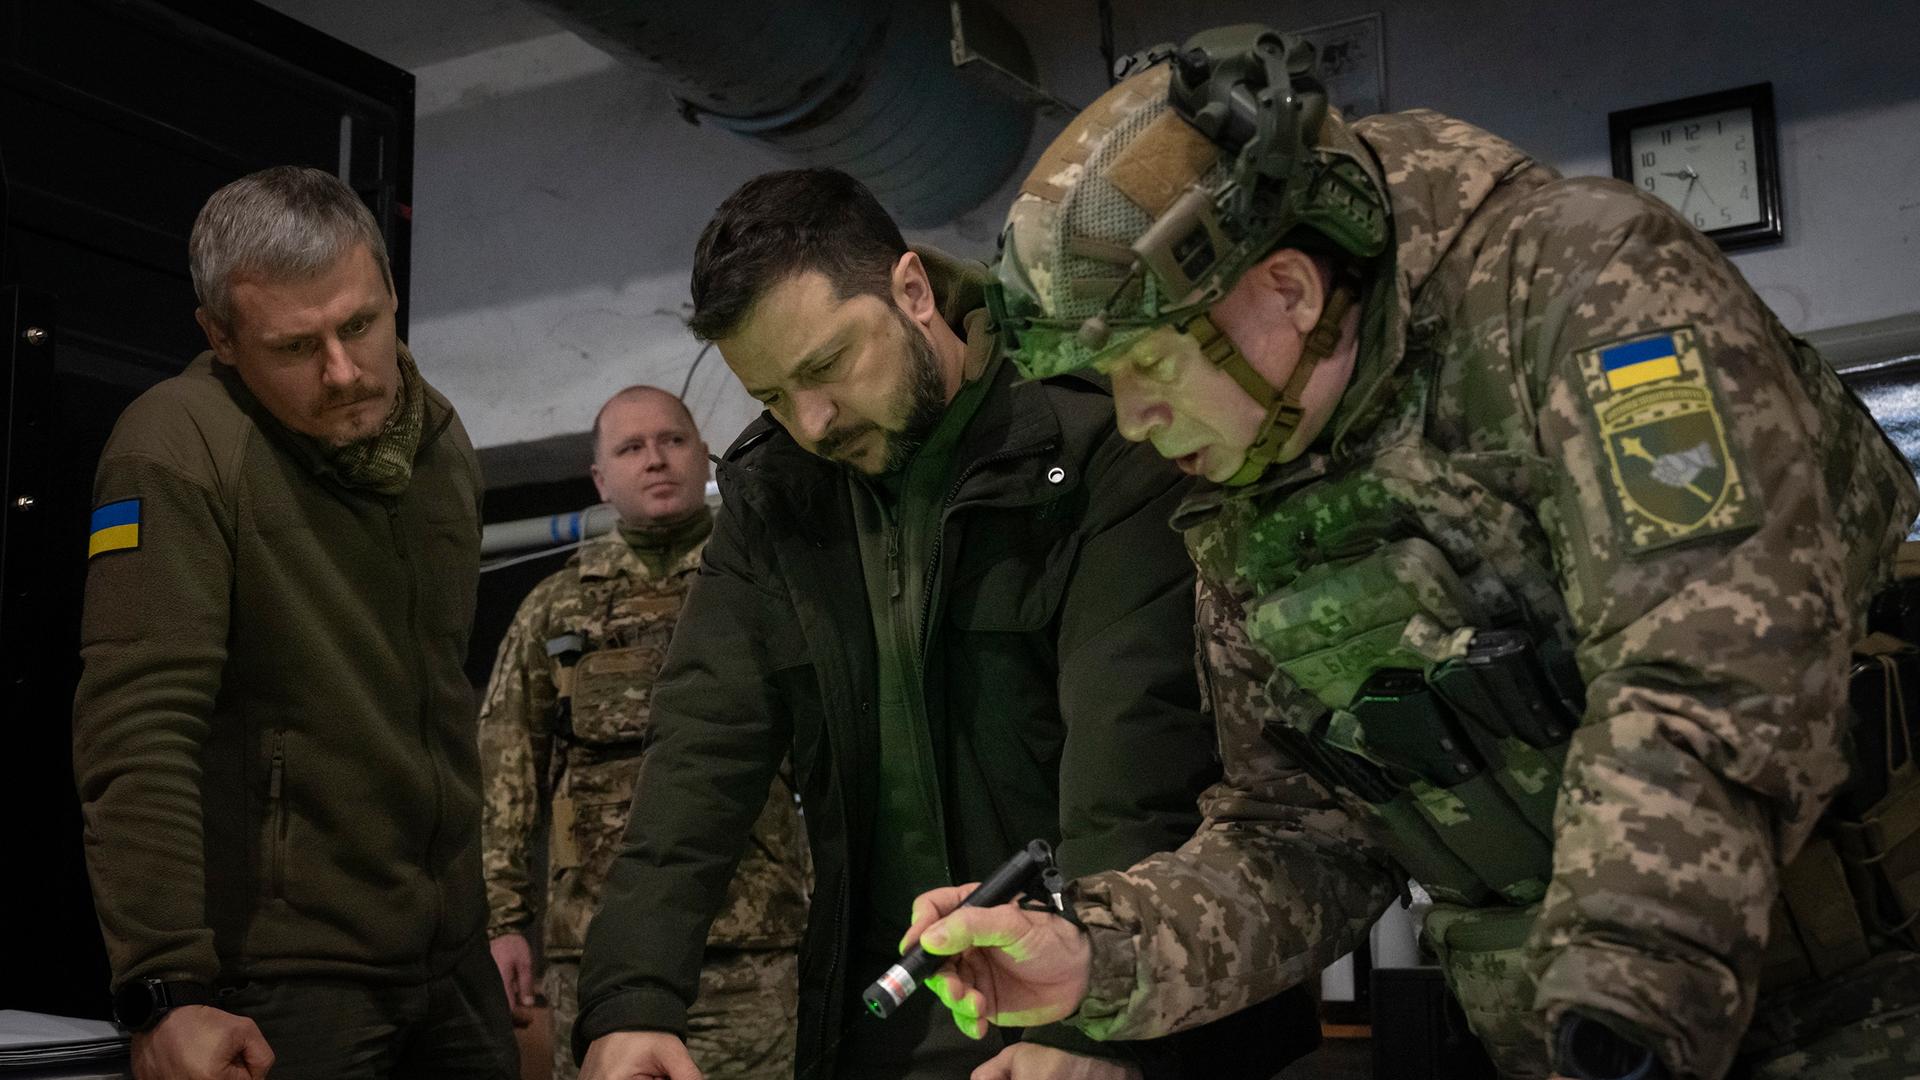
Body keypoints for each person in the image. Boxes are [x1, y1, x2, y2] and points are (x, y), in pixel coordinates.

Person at [902, 26, 1920, 1080]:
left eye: (1148, 364)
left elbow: (1709, 659)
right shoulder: (1257, 473)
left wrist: (1625, 998)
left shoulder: (1583, 287)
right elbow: (1302, 832)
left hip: (1852, 1003)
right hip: (1573, 1040)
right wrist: (1096, 954)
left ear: (1289, 290)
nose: (1135, 419)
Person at [572, 168, 1318, 1080]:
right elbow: (699, 748)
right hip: (890, 1027)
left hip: (1121, 1016)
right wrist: (632, 998)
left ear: (913, 290)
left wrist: (1087, 1026)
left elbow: (1134, 757)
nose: (811, 421)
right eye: (771, 397)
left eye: (826, 367)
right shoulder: (779, 498)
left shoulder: (1093, 439)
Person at [71, 166, 517, 1080]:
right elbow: (137, 726)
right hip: (284, 980)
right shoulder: (176, 443)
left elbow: (440, 704)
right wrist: (164, 988)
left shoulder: (441, 444)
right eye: (295, 347)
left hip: (453, 964)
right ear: (221, 340)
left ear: (392, 294)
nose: (345, 371)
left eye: (360, 324)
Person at [479, 385, 811, 1080]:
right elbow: (506, 770)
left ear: (705, 456)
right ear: (600, 480)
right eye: (631, 448)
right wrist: (504, 920)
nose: (655, 460)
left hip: (752, 940)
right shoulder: (555, 608)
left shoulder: (772, 587)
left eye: (672, 440)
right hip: (598, 949)